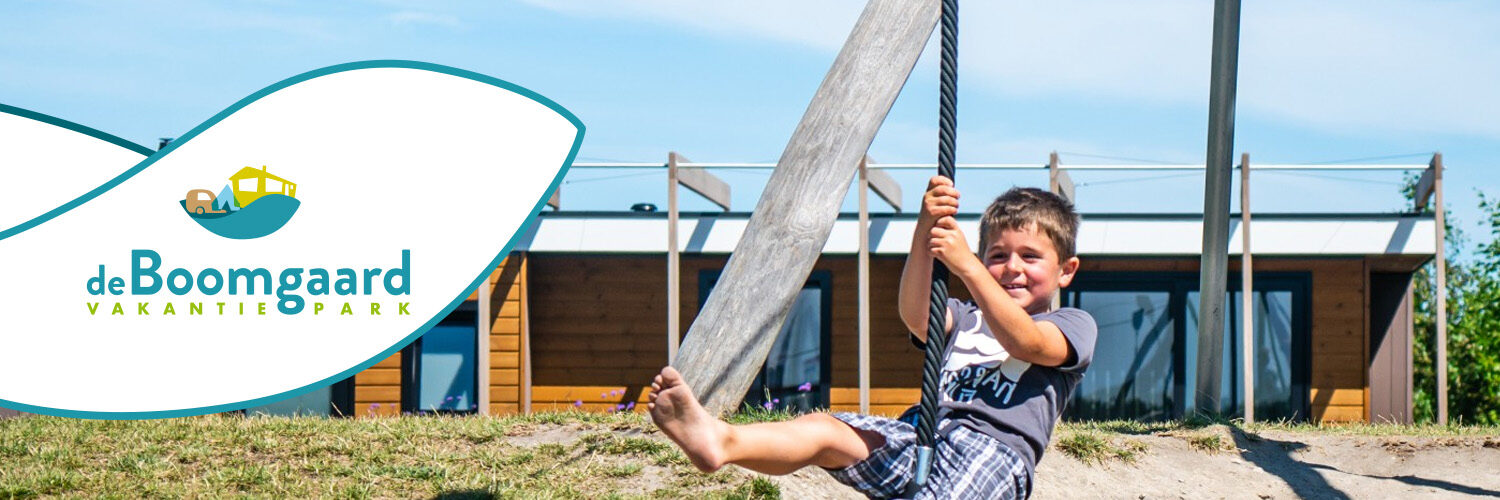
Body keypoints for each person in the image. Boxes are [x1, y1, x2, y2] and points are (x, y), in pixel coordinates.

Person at [649, 177, 1097, 499]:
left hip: (992, 453)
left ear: (1066, 270)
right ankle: (722, 442)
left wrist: (970, 267)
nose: (1012, 267)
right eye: (998, 256)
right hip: (920, 434)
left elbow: (1026, 345)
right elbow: (916, 313)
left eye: (1030, 257)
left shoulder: (1073, 325)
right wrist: (926, 227)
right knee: (826, 431)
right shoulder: (963, 317)